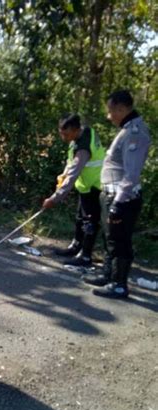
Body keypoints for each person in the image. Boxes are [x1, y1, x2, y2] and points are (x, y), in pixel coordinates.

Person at [84, 90, 151, 299]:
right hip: (111, 194)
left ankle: (119, 284)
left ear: (122, 109)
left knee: (119, 241)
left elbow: (131, 173)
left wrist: (118, 203)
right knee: (110, 238)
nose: (108, 115)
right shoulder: (126, 129)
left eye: (111, 111)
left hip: (123, 198)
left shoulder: (135, 133)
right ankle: (108, 275)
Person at [43, 114, 105, 267]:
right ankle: (75, 247)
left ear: (76, 130)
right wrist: (63, 174)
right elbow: (71, 164)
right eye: (61, 133)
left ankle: (85, 256)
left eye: (66, 134)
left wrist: (55, 198)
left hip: (95, 186)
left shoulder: (83, 147)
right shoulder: (83, 134)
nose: (63, 137)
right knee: (80, 218)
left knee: (89, 222)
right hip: (85, 185)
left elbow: (73, 175)